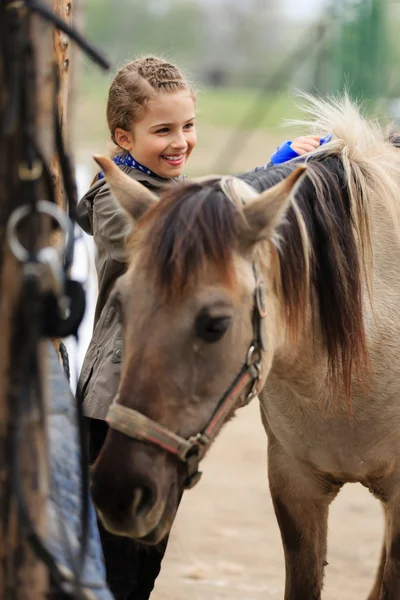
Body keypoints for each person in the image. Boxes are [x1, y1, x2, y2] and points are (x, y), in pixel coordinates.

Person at [76, 55, 330, 600]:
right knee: (115, 572)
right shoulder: (116, 204)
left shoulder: (173, 191)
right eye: (162, 130)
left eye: (187, 126)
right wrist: (272, 172)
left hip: (162, 406)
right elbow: (184, 227)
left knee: (142, 569)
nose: (180, 142)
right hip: (118, 406)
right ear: (123, 137)